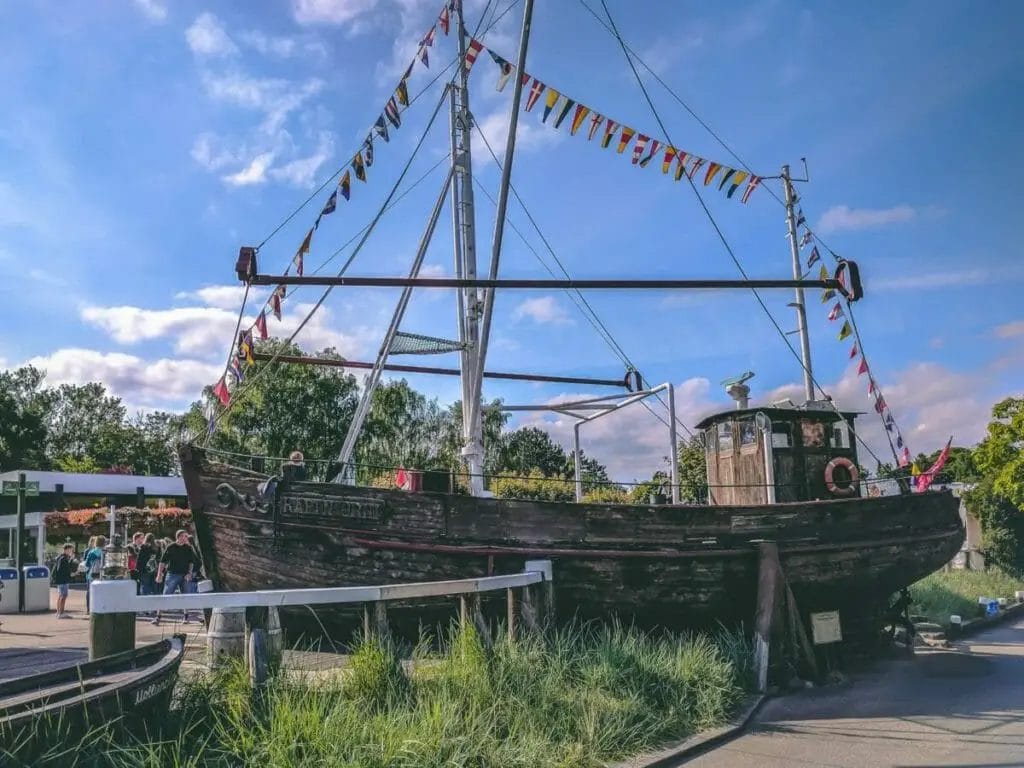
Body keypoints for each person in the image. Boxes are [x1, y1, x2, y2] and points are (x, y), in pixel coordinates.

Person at [153, 529, 197, 626]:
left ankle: (186, 617)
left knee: (185, 595)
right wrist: (159, 574)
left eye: (186, 536)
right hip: (172, 574)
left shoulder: (188, 548)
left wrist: (189, 573)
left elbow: (191, 562)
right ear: (179, 537)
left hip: (184, 574)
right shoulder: (171, 547)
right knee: (166, 595)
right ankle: (158, 617)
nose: (186, 538)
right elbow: (163, 561)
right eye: (185, 536)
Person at [52, 544, 78, 618]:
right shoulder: (63, 558)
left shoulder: (61, 557)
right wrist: (71, 574)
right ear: (67, 549)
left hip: (61, 579)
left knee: (61, 595)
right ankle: (61, 612)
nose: (71, 552)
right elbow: (64, 569)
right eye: (71, 550)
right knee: (63, 595)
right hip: (63, 580)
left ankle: (58, 612)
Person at [83, 535, 106, 614]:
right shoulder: (105, 552)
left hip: (92, 574)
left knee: (90, 592)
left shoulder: (91, 552)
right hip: (103, 575)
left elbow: (87, 564)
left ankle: (89, 609)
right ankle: (101, 607)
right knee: (102, 592)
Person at [136, 533, 159, 599]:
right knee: (155, 587)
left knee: (145, 587)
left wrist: (137, 569)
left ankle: (145, 604)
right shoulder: (156, 548)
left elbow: (139, 560)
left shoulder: (143, 547)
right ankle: (155, 605)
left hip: (144, 570)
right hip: (154, 570)